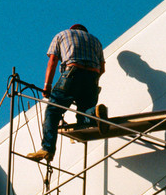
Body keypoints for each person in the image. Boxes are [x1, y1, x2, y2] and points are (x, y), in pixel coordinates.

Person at [27, 24, 106, 162]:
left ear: (72, 29)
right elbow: (102, 68)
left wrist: (47, 85)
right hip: (92, 77)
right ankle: (94, 112)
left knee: (53, 110)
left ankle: (47, 149)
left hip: (72, 73)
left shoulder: (62, 35)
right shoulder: (96, 41)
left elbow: (53, 60)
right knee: (84, 113)